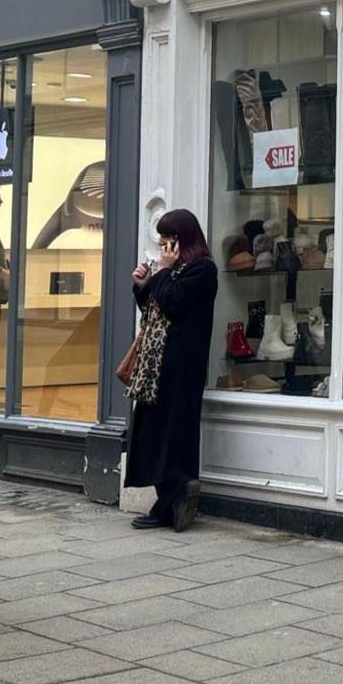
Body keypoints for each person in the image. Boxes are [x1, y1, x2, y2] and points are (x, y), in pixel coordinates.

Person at [125, 209, 219, 531]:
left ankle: (170, 501)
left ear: (184, 238)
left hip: (181, 368)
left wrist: (162, 274)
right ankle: (167, 500)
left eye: (169, 237)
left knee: (173, 435)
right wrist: (143, 285)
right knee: (151, 432)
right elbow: (156, 309)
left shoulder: (203, 270)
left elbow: (174, 303)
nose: (164, 243)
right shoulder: (176, 270)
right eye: (162, 238)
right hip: (157, 368)